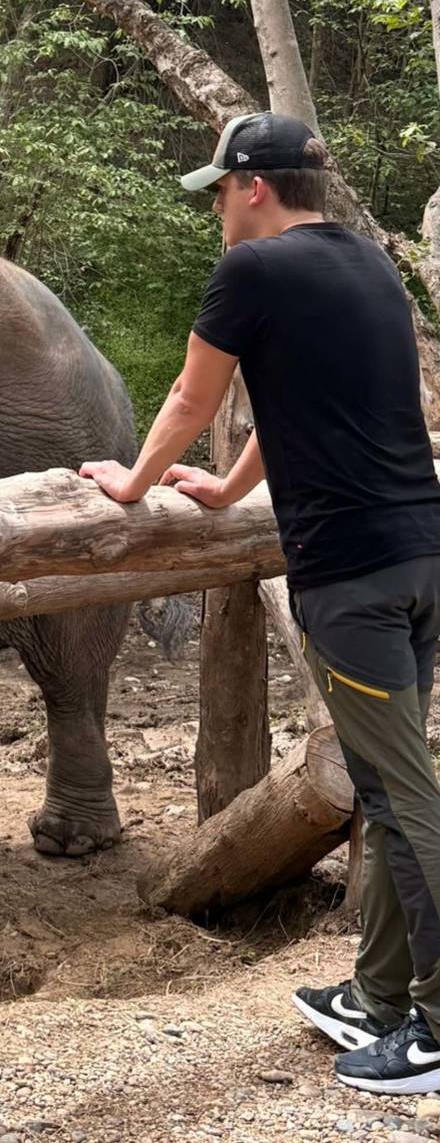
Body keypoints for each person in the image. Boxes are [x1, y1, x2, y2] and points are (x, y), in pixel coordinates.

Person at [80, 111, 440, 1095]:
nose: (216, 215)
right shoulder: (369, 266)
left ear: (253, 187)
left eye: (219, 196)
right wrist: (231, 489)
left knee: (408, 792)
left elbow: (191, 398)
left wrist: (133, 482)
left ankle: (435, 1027)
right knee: (386, 786)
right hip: (418, 557)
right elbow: (306, 403)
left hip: (351, 576)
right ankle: (379, 997)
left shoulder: (252, 271)